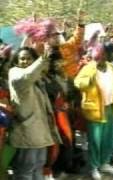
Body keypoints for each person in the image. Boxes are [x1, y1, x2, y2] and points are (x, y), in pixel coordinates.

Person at [74, 42, 113, 179]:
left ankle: (105, 163)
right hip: (95, 109)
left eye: (102, 57)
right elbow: (77, 83)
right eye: (97, 58)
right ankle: (94, 167)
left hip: (110, 107)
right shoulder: (88, 68)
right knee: (95, 140)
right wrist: (89, 80)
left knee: (108, 139)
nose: (100, 60)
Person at [8, 46, 62, 180]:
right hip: (27, 130)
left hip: (40, 130)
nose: (25, 61)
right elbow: (26, 77)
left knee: (39, 165)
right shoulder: (16, 74)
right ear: (16, 61)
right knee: (26, 168)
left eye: (28, 59)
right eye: (22, 59)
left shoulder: (37, 78)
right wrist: (41, 60)